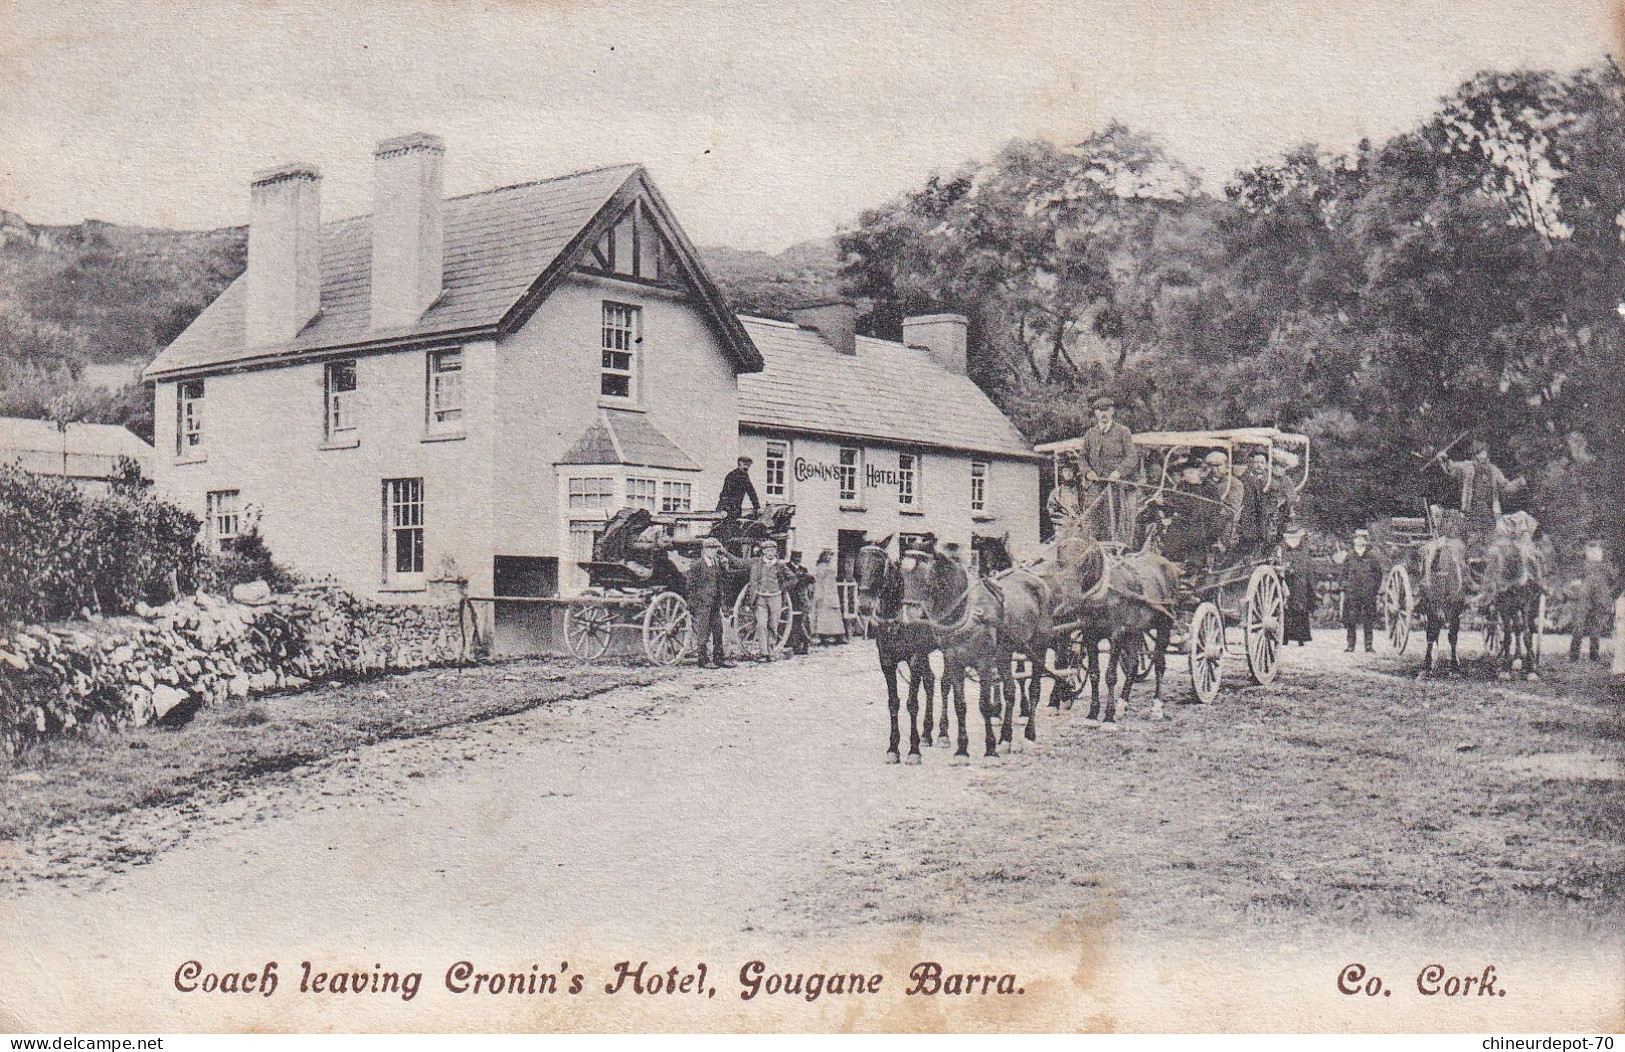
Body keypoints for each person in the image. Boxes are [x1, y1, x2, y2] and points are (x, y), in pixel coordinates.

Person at [1441, 440, 1526, 556]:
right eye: (1480, 452)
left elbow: (1506, 486)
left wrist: (1518, 483)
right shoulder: (1467, 466)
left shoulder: (1493, 470)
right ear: (1475, 454)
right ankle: (1473, 561)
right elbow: (1450, 468)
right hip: (1472, 509)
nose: (1482, 455)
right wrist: (1444, 458)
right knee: (1473, 537)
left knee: (1490, 538)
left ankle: (1489, 562)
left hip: (1489, 510)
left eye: (1484, 452)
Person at [1078, 395, 1139, 543]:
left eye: (1106, 410)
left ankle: (1109, 551)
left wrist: (1118, 473)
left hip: (1114, 486)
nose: (1103, 414)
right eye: (1100, 411)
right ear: (1095, 413)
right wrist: (1088, 472)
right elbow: (1082, 458)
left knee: (1110, 520)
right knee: (1090, 518)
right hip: (1095, 486)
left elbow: (1132, 457)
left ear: (1112, 412)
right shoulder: (1090, 434)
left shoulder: (1123, 432)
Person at [688, 536, 742, 668]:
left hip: (715, 603)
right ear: (704, 549)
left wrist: (724, 567)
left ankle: (719, 658)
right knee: (703, 632)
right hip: (703, 604)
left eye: (715, 549)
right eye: (710, 548)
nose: (713, 551)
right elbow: (690, 586)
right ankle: (703, 660)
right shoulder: (697, 565)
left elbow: (725, 580)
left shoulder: (717, 564)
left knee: (718, 630)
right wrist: (694, 604)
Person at [1570, 539, 1617, 663]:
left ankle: (1593, 655)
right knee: (1579, 625)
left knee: (1595, 627)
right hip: (1584, 598)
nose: (1594, 552)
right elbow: (1574, 580)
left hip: (1599, 598)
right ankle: (1575, 656)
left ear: (1600, 551)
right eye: (1591, 550)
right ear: (1587, 552)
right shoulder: (1583, 565)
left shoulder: (1605, 566)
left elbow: (1613, 579)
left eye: (1596, 549)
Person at [1342, 528, 1383, 653]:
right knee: (1351, 619)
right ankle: (1350, 645)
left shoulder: (1372, 557)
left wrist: (1374, 589)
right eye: (1358, 539)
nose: (1360, 541)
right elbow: (1344, 574)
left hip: (1368, 593)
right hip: (1353, 592)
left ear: (1366, 541)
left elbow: (1378, 575)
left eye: (1363, 539)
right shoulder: (1350, 556)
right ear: (1354, 540)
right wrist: (1347, 587)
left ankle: (1368, 645)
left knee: (1368, 618)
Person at [749, 541, 791, 661]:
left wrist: (781, 588)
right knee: (761, 624)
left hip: (775, 597)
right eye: (767, 550)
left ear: (775, 551)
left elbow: (793, 579)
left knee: (773, 625)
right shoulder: (757, 564)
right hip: (760, 597)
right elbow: (740, 563)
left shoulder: (780, 565)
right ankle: (764, 653)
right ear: (763, 551)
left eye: (772, 550)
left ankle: (771, 649)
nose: (770, 553)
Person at [1280, 521, 1316, 645]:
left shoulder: (1304, 549)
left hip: (1300, 584)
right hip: (1286, 582)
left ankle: (1301, 637)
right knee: (1285, 609)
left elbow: (1308, 568)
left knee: (1300, 609)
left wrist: (1310, 586)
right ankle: (1284, 637)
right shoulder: (1281, 549)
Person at [1235, 451, 1273, 558]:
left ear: (1266, 465)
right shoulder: (1243, 479)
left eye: (1262, 462)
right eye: (1256, 462)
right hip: (1247, 520)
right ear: (1251, 463)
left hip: (1264, 521)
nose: (1259, 465)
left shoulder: (1271, 482)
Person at [810, 549, 848, 643]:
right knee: (824, 614)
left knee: (834, 614)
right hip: (824, 593)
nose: (830, 557)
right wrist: (819, 594)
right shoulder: (821, 567)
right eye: (828, 556)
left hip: (831, 592)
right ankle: (824, 635)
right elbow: (819, 581)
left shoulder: (828, 566)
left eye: (831, 556)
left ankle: (836, 634)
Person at [1047, 456, 1086, 540]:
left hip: (1079, 523)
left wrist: (1080, 517)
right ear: (1062, 473)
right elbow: (1051, 509)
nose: (1067, 474)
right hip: (1063, 525)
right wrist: (1064, 520)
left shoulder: (1080, 490)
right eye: (1065, 471)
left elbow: (1085, 506)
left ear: (1074, 473)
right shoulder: (1057, 492)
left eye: (1070, 471)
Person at [786, 550, 815, 656]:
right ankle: (794, 644)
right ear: (792, 558)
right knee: (792, 621)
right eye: (796, 557)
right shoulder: (787, 567)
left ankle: (805, 645)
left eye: (799, 557)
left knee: (803, 620)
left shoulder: (803, 569)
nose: (798, 559)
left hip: (801, 598)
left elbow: (810, 581)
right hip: (791, 597)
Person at [716, 455, 761, 521]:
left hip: (737, 509)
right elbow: (725, 493)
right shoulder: (731, 476)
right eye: (745, 464)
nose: (747, 467)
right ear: (740, 463)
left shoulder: (744, 476)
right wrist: (724, 509)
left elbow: (751, 492)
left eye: (748, 465)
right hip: (726, 510)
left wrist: (757, 507)